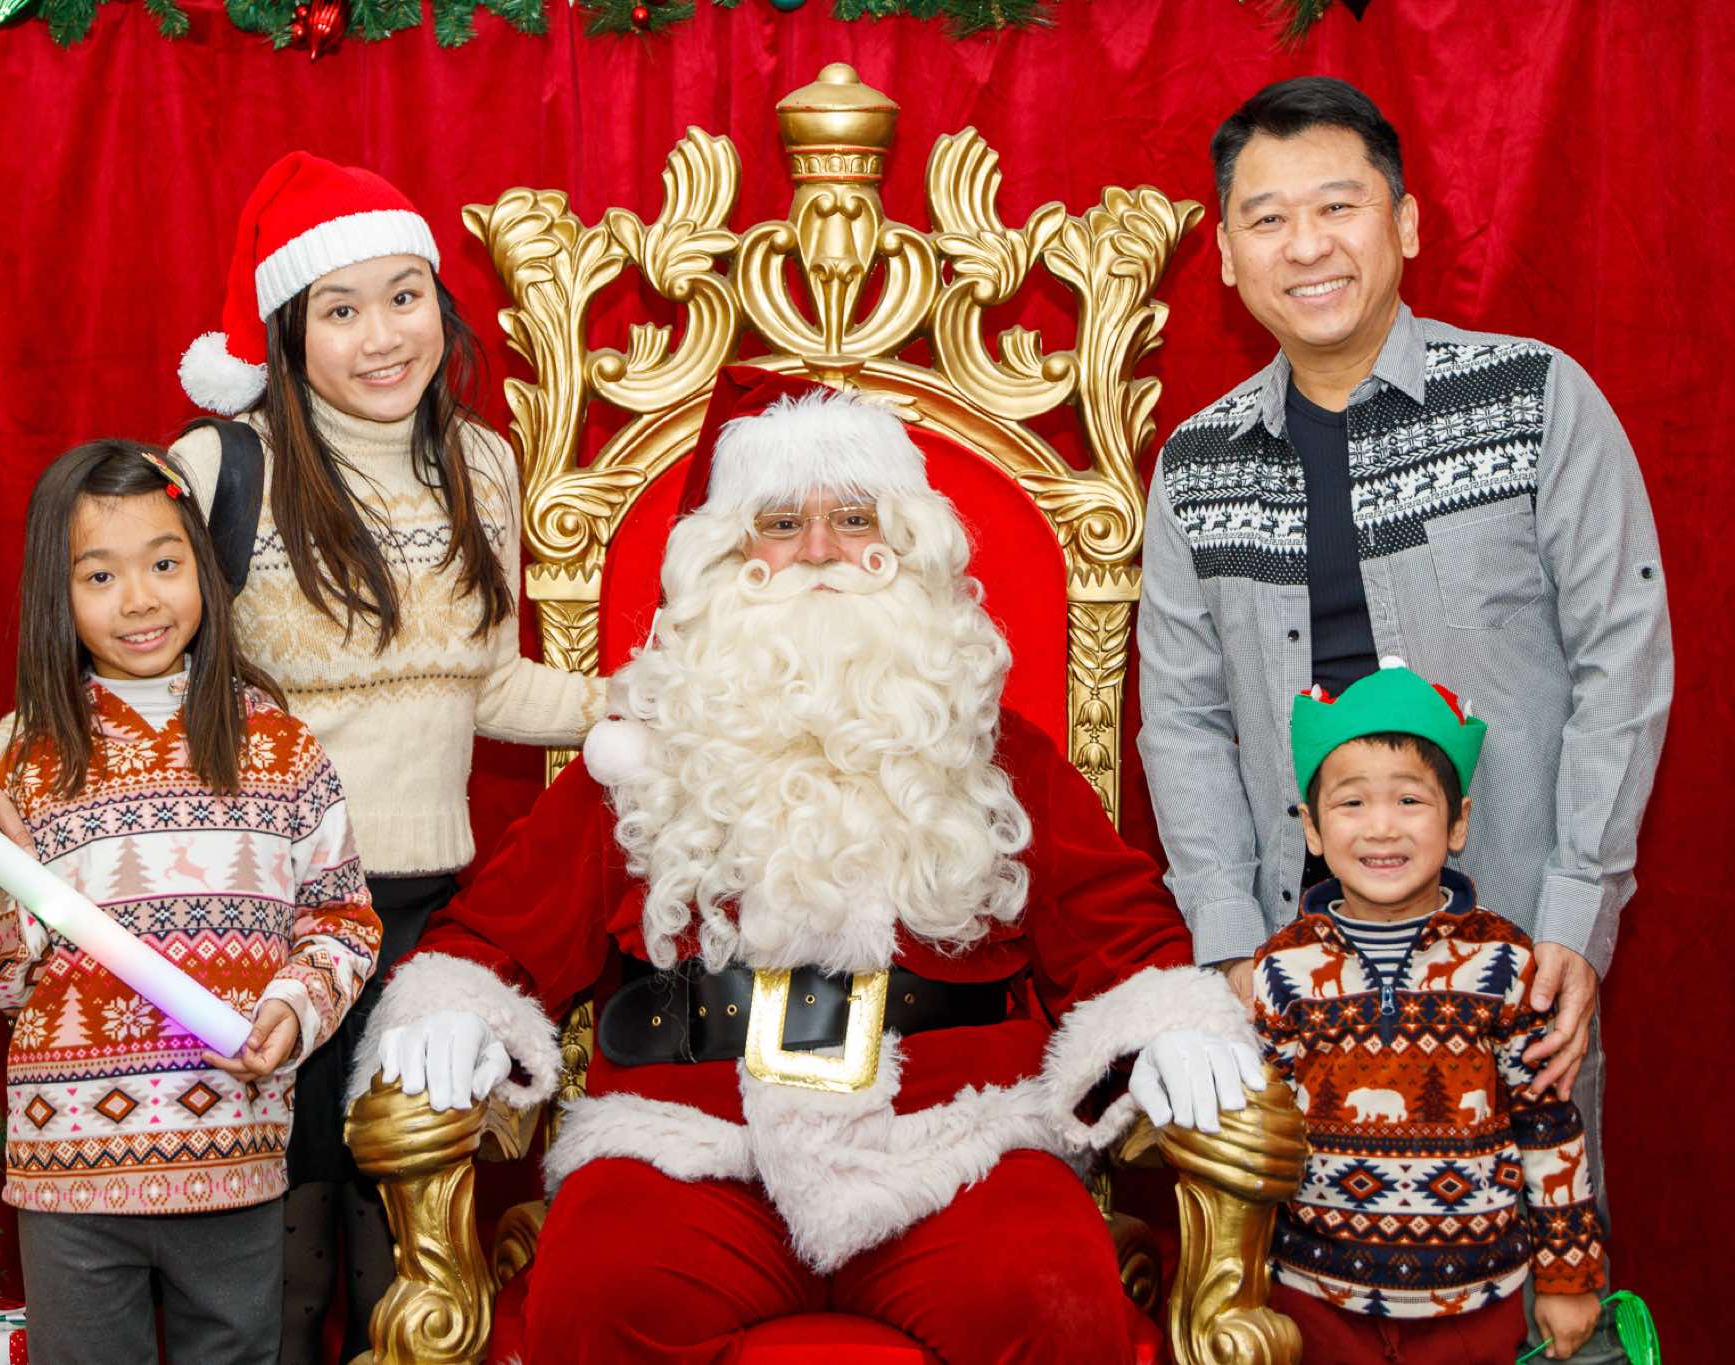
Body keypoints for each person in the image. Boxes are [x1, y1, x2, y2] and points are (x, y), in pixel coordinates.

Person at [351, 369, 1266, 1364]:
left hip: (951, 1144)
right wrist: (455, 1004)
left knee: (1051, 1295)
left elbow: (1116, 925)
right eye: (782, 523)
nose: (821, 551)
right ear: (726, 555)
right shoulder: (641, 756)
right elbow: (497, 931)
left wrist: (1171, 1019)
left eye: (854, 519)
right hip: (690, 1146)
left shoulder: (990, 749)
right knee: (598, 1291)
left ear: (906, 544)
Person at [0, 152, 605, 1360]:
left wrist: (640, 714)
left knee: (404, 1251)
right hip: (261, 917)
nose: (380, 336)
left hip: (427, 925)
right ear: (288, 335)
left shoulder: (484, 465)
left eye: (404, 297)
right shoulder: (221, 465)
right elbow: (120, 644)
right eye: (339, 310)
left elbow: (490, 683)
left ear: (442, 304)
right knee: (277, 1280)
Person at [1137, 76, 1669, 1358]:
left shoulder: (1533, 399)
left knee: (1541, 1289)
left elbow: (1622, 657)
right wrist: (1226, 953)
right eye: (1265, 218)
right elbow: (1180, 717)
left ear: (1405, 222)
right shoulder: (1196, 462)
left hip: (1515, 951)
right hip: (1293, 975)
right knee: (1306, 1307)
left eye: (1337, 205)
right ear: (1225, 256)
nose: (1304, 246)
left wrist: (1573, 916)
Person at [0, 440, 383, 1365]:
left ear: (202, 566)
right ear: (56, 594)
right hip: (72, 1173)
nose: (138, 599)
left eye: (164, 564)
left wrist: (294, 1007)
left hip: (231, 1157)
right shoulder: (22, 767)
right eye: (100, 575)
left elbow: (342, 919)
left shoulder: (282, 749)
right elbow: (15, 986)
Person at [1254, 660, 1605, 1362]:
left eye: (1410, 799)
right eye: (1352, 803)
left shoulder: (1505, 964)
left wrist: (1568, 1275)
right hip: (1316, 1297)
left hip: (1474, 1303)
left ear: (1458, 821)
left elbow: (1548, 1125)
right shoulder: (1282, 970)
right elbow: (1261, 1129)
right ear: (1312, 829)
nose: (1382, 827)